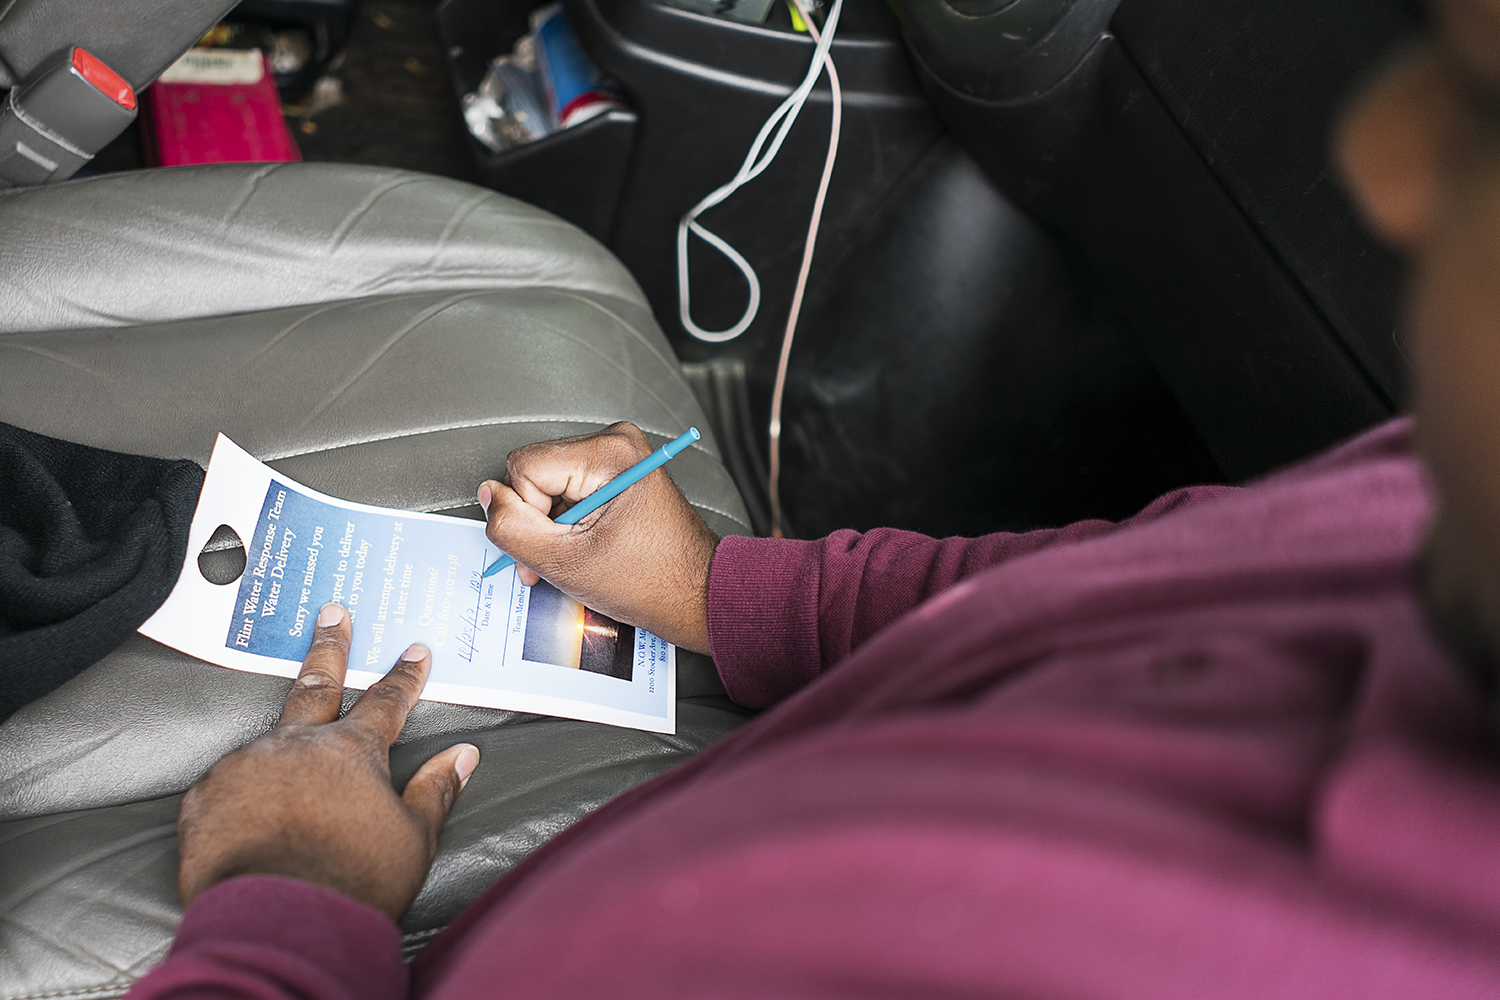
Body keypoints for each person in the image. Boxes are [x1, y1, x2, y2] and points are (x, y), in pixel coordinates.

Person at [127, 3, 1500, 996]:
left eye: (1485, 114)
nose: (1381, 150)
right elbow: (1115, 580)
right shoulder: (1423, 498)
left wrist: (284, 914)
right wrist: (717, 591)